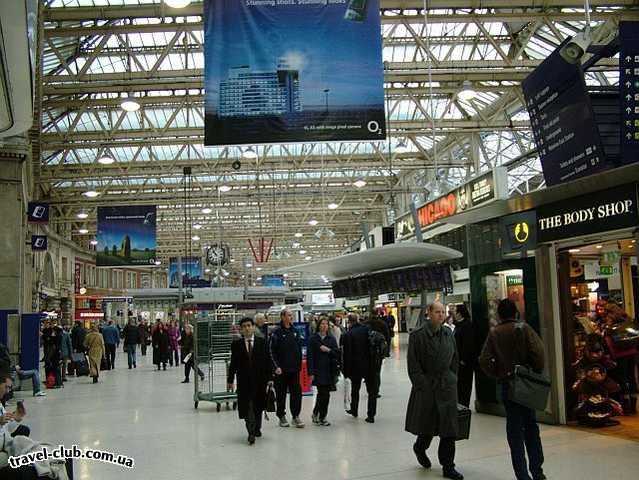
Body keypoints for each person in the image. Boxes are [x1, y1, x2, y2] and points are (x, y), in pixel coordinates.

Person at [479, 299, 546, 480]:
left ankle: (522, 474)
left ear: (499, 315)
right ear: (516, 313)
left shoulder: (494, 333)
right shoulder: (524, 329)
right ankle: (537, 471)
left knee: (514, 430)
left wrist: (498, 373)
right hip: (526, 385)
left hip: (507, 386)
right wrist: (532, 371)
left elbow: (484, 360)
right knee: (531, 426)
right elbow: (539, 355)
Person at [405, 302, 463, 480]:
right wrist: (422, 385)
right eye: (437, 312)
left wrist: (452, 378)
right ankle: (419, 448)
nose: (441, 315)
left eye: (443, 312)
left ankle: (448, 466)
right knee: (428, 427)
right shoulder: (417, 336)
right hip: (428, 387)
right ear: (428, 313)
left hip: (446, 386)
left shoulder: (448, 333)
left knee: (449, 428)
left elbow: (454, 358)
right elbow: (413, 366)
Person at [228, 317, 273, 445]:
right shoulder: (236, 345)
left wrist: (270, 378)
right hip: (244, 381)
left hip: (260, 381)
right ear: (241, 330)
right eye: (244, 326)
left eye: (249, 325)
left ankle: (257, 428)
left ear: (253, 327)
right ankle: (251, 432)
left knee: (258, 406)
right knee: (247, 407)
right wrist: (230, 379)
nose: (247, 328)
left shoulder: (262, 342)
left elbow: (267, 361)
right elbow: (233, 364)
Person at [269, 308, 305, 428]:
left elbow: (299, 348)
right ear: (283, 317)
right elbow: (271, 351)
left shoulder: (295, 331)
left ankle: (295, 416)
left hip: (294, 369)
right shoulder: (276, 332)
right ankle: (281, 416)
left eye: (291, 315)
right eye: (289, 315)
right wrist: (276, 366)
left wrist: (299, 364)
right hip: (281, 370)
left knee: (296, 393)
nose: (291, 317)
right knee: (281, 394)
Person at [342, 313, 379, 423]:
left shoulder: (348, 335)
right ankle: (371, 415)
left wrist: (346, 371)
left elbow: (347, 355)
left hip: (355, 367)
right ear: (358, 320)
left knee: (355, 389)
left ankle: (354, 410)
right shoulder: (367, 330)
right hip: (370, 365)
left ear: (349, 322)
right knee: (372, 391)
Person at [308, 317, 339, 426]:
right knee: (323, 393)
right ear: (318, 325)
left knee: (324, 394)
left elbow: (337, 353)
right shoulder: (313, 339)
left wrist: (329, 350)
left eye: (326, 324)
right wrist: (310, 372)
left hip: (329, 370)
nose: (324, 326)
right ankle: (322, 417)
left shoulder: (331, 339)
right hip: (318, 370)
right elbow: (310, 356)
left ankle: (317, 413)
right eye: (322, 324)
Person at [454, 304, 477, 408]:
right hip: (459, 361)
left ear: (460, 313)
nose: (454, 313)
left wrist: (463, 359)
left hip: (465, 362)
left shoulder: (467, 325)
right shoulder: (459, 325)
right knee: (460, 384)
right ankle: (460, 403)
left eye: (455, 311)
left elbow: (468, 344)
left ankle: (464, 404)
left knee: (465, 384)